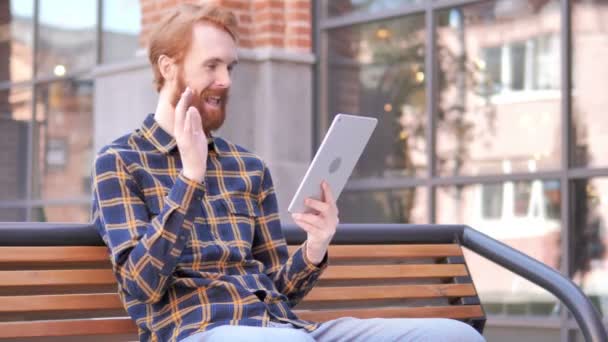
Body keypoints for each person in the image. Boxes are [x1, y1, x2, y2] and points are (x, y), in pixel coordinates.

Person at [91, 3, 484, 342]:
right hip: (199, 331)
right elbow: (141, 286)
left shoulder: (247, 168)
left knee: (455, 334)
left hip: (285, 329)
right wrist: (190, 179)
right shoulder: (121, 162)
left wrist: (315, 247)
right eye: (211, 65)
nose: (225, 80)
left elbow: (276, 289)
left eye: (230, 66)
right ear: (168, 66)